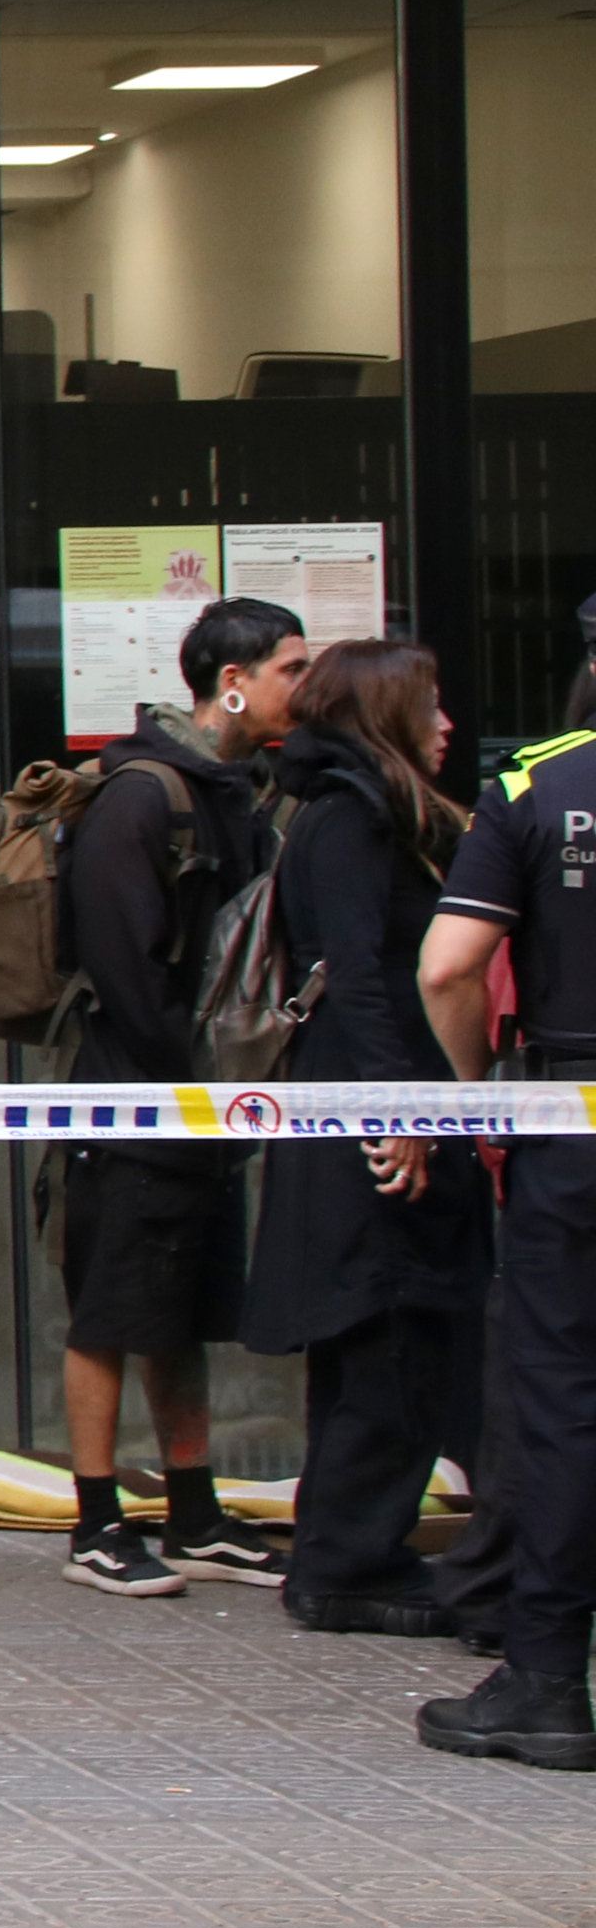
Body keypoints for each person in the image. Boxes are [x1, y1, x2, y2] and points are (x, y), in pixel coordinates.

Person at [51, 595, 307, 1596]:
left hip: (204, 1109)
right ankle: (95, 1522)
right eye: (291, 667)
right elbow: (121, 966)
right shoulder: (141, 797)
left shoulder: (245, 792)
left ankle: (193, 1508)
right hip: (133, 1103)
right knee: (109, 1309)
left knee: (185, 1306)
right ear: (230, 682)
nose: (305, 684)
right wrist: (190, 1092)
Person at [240, 640, 489, 1637]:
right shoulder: (348, 822)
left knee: (397, 1341)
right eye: (427, 706)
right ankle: (346, 1563)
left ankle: (354, 1547)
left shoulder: (365, 815)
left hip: (374, 1108)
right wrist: (402, 1113)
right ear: (384, 716)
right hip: (370, 1119)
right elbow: (360, 972)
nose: (446, 725)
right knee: (383, 1337)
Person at [419, 720, 596, 1765]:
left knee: (565, 1400)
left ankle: (543, 1679)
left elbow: (451, 966)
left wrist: (476, 1087)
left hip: (571, 1121)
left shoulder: (540, 780)